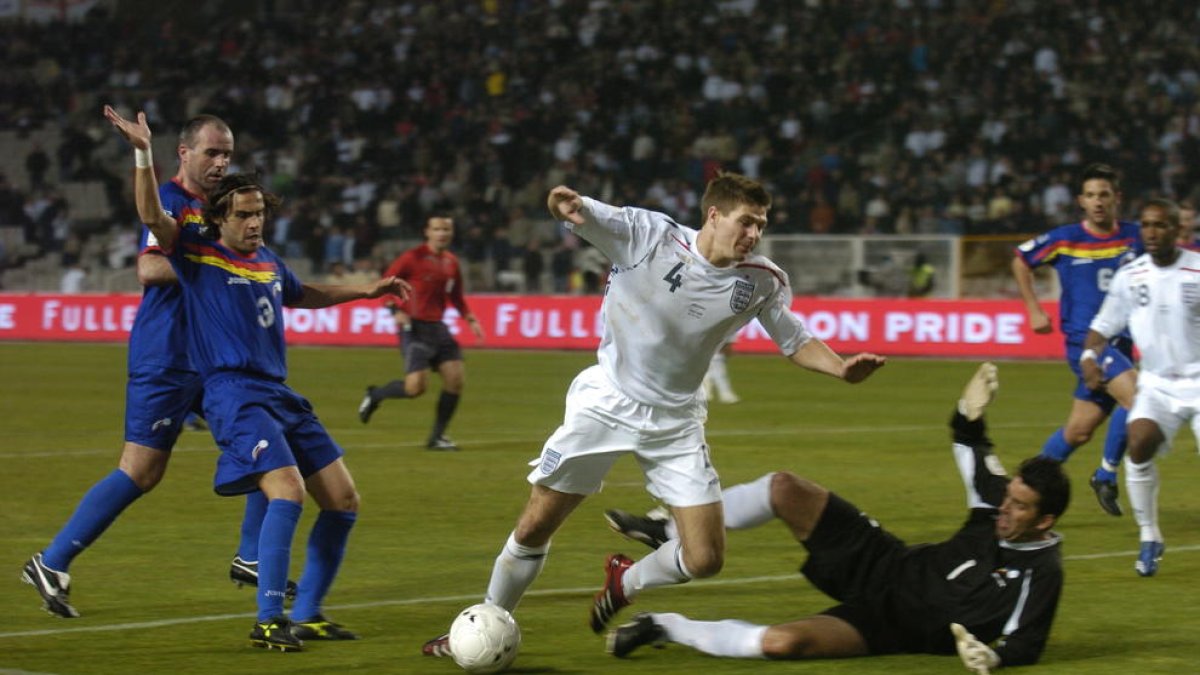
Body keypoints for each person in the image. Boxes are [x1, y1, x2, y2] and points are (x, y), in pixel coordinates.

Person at [421, 173, 886, 658]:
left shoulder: (762, 280)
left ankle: (627, 579)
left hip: (676, 421)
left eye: (761, 225)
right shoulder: (650, 234)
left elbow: (794, 339)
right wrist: (565, 205)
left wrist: (840, 368)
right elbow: (583, 212)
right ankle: (480, 624)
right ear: (713, 215)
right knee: (536, 525)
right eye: (745, 222)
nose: (753, 234)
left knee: (705, 559)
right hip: (607, 402)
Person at [102, 107, 411, 651]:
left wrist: (368, 290)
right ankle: (268, 619)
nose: (254, 223)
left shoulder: (266, 260)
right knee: (286, 491)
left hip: (278, 393)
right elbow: (152, 214)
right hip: (232, 395)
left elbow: (306, 294)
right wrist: (143, 152)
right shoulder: (196, 252)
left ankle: (309, 613)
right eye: (244, 214)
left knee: (343, 499)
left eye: (260, 214)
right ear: (220, 218)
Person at [606, 363, 1070, 674]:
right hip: (886, 564)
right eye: (1008, 498)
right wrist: (969, 411)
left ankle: (662, 625)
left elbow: (1027, 642)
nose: (1005, 510)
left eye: (1020, 507)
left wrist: (991, 657)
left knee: (783, 644)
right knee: (785, 487)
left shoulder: (1043, 570)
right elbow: (970, 442)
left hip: (891, 627)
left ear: (1045, 521)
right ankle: (669, 529)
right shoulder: (996, 503)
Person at [22, 112, 292, 620]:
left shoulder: (219, 209)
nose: (221, 162)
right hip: (168, 355)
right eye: (212, 153)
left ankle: (253, 556)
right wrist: (215, 260)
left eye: (228, 154)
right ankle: (51, 561)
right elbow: (147, 267)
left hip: (215, 359)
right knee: (142, 471)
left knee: (272, 437)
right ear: (184, 154)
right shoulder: (169, 201)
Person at [1011, 162, 1141, 516]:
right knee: (1140, 400)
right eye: (1090, 195)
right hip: (1089, 344)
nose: (1097, 201)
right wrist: (1034, 310)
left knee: (1078, 431)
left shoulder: (1136, 236)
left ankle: (1021, 489)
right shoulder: (1066, 239)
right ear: (1081, 201)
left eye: (1104, 195)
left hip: (1123, 345)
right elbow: (1021, 260)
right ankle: (1106, 475)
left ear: (1117, 198)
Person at [1082, 198, 1199, 577]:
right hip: (1157, 383)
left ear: (1176, 231)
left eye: (1160, 225)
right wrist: (1087, 358)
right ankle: (1150, 536)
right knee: (1138, 443)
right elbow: (1103, 326)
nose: (1151, 232)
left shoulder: (1196, 271)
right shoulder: (1130, 276)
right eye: (1146, 224)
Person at [357, 216, 485, 450]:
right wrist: (394, 309)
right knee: (415, 388)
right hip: (414, 328)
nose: (442, 233)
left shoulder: (451, 262)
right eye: (437, 229)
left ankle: (437, 437)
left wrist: (469, 317)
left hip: (438, 328)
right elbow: (384, 285)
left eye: (446, 229)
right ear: (427, 232)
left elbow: (455, 296)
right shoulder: (412, 258)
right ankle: (376, 394)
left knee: (455, 380)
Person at [702, 336, 740, 404]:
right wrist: (728, 353)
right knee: (720, 376)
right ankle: (725, 395)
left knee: (708, 374)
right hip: (717, 356)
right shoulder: (729, 328)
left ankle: (706, 394)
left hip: (706, 354)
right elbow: (727, 345)